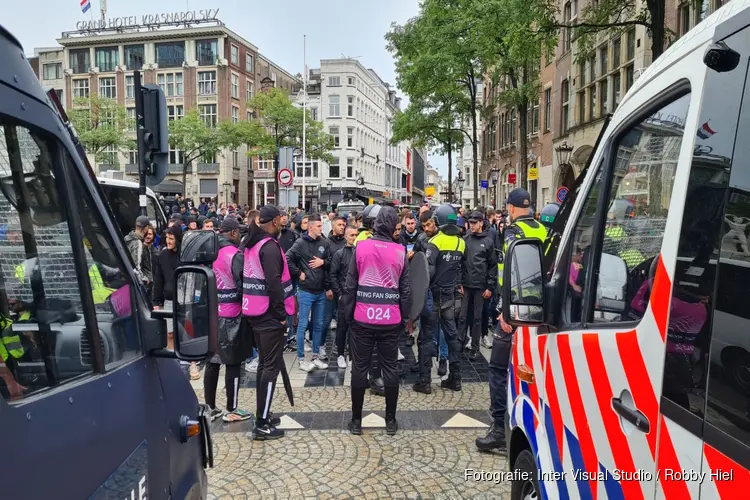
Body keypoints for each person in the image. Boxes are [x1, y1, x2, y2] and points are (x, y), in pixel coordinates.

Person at [476, 188, 548, 451]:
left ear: (512, 207)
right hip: (538, 312)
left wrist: (505, 310)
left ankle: (499, 428)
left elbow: (510, 274)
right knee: (530, 369)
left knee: (497, 368)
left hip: (515, 312)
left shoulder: (513, 233)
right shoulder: (543, 231)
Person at [343, 206, 411, 435]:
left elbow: (350, 285)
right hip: (390, 319)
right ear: (392, 226)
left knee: (359, 369)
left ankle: (355, 421)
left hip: (362, 318)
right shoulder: (400, 251)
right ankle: (390, 421)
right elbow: (406, 291)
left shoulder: (361, 247)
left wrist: (348, 315)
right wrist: (406, 318)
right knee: (390, 368)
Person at [240, 205, 294, 440]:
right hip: (270, 315)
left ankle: (263, 412)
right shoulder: (270, 247)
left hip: (255, 311)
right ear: (272, 222)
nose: (283, 222)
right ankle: (261, 423)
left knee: (264, 364)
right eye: (281, 219)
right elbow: (273, 283)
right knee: (270, 368)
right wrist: (282, 315)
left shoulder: (251, 243)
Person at [204, 218, 253, 423]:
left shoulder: (208, 254)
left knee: (212, 362)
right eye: (239, 232)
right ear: (232, 233)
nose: (240, 236)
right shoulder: (235, 255)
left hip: (212, 313)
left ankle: (210, 407)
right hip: (232, 314)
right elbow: (244, 286)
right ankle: (232, 409)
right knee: (232, 362)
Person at [415, 204, 465, 394]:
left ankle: (424, 381)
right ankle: (456, 378)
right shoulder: (461, 242)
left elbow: (429, 271)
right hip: (449, 298)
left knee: (427, 338)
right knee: (452, 336)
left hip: (433, 297)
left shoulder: (435, 242)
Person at [285, 214, 333, 371]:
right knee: (303, 324)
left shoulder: (324, 243)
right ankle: (300, 359)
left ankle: (315, 356)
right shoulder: (300, 243)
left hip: (320, 291)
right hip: (305, 290)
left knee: (318, 324)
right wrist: (298, 273)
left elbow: (331, 262)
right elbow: (287, 258)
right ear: (310, 227)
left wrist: (323, 262)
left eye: (321, 226)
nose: (321, 228)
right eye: (318, 226)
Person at [458, 211, 497, 360]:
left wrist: (489, 287)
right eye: (470, 223)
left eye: (474, 223)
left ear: (481, 223)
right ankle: (460, 344)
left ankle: (475, 347)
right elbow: (460, 262)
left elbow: (492, 266)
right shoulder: (465, 239)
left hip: (480, 286)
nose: (471, 225)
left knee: (477, 318)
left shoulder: (488, 241)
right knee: (462, 317)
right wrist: (459, 282)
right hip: (466, 285)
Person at [331, 225, 357, 369]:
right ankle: (340, 354)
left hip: (356, 296)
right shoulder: (339, 254)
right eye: (351, 235)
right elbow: (333, 275)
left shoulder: (359, 252)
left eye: (355, 235)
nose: (353, 238)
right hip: (344, 296)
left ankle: (353, 355)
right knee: (342, 326)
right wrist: (339, 294)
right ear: (346, 236)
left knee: (355, 327)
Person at [125, 215, 153, 288]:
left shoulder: (128, 238)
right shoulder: (138, 243)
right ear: (146, 228)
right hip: (140, 284)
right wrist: (145, 279)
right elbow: (136, 266)